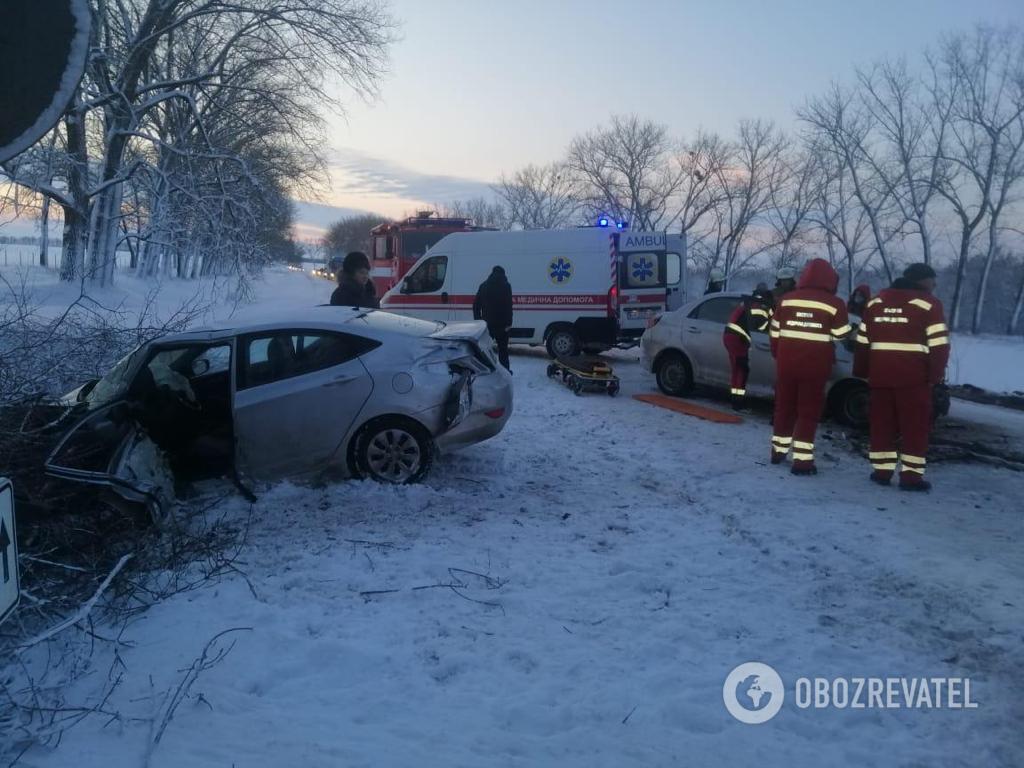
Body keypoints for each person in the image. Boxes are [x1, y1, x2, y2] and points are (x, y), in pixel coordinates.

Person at [853, 263, 950, 492]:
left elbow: (863, 342)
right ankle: (911, 478)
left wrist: (861, 371)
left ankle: (881, 472)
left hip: (880, 377)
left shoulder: (875, 303)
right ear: (921, 281)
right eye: (932, 280)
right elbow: (939, 346)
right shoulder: (929, 305)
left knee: (881, 426)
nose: (934, 285)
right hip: (914, 380)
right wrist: (935, 376)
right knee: (914, 429)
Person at [768, 258, 851, 475]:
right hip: (815, 367)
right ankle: (802, 462)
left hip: (786, 365)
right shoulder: (835, 304)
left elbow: (774, 332)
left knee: (784, 408)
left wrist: (780, 355)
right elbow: (842, 335)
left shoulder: (786, 300)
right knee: (808, 412)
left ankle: (778, 452)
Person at [722, 288, 773, 410]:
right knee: (742, 370)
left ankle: (735, 399)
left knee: (737, 369)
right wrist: (770, 316)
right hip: (737, 340)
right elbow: (760, 327)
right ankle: (738, 403)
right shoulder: (757, 307)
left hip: (730, 337)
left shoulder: (747, 303)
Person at [473, 266, 514, 372]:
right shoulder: (506, 286)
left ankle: (485, 371)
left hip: (487, 324)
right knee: (503, 351)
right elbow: (509, 306)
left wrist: (479, 321)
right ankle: (505, 372)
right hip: (503, 325)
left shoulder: (483, 286)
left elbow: (476, 306)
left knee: (486, 349)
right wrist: (509, 323)